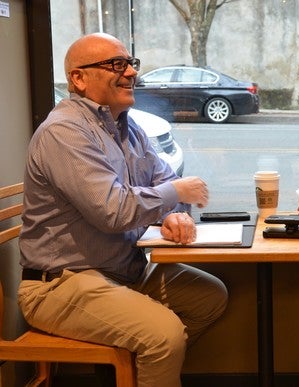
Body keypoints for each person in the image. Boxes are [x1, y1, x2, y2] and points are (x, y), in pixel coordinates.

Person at [17, 33, 228, 387]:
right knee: (163, 335)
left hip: (122, 271)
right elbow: (113, 212)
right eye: (116, 64)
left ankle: (135, 371)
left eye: (131, 63)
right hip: (60, 284)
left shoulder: (127, 128)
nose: (130, 72)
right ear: (78, 79)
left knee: (210, 297)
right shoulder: (65, 132)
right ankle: (149, 357)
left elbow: (161, 183)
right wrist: (174, 192)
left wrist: (172, 213)